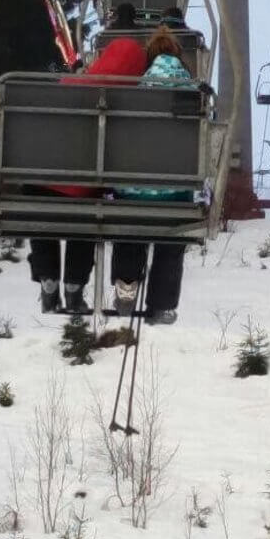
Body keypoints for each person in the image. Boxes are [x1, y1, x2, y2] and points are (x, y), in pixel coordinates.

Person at [27, 2, 147, 312]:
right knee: (87, 213)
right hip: (83, 186)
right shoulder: (129, 100)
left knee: (40, 214)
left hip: (40, 179)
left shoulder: (73, 86)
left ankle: (47, 278)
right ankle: (73, 285)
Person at [110, 26, 197, 324]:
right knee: (172, 237)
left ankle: (126, 284)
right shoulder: (195, 95)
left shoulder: (133, 90)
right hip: (177, 189)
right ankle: (162, 303)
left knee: (131, 223)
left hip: (134, 185)